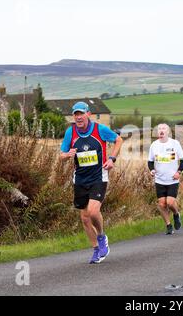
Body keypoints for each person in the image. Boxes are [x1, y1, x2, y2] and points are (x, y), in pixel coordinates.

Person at [60, 101, 123, 264]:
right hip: (80, 178)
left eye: (81, 113)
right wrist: (67, 155)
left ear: (88, 114)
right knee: (85, 218)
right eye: (76, 114)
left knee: (93, 212)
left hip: (98, 176)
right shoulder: (71, 132)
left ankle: (102, 237)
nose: (79, 117)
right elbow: (61, 155)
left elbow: (118, 140)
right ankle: (96, 249)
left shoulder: (99, 129)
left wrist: (111, 159)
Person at [148, 124, 183, 235]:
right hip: (159, 179)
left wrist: (179, 172)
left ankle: (176, 214)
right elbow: (150, 161)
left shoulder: (174, 143)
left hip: (172, 179)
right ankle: (168, 225)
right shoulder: (154, 145)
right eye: (159, 129)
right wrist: (151, 170)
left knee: (169, 202)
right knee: (161, 204)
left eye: (163, 129)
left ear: (168, 132)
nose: (161, 131)